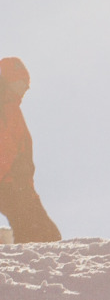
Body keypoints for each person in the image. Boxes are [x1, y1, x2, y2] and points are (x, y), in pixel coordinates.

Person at [0, 57, 61, 244]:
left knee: (47, 234)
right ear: (8, 79)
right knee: (38, 235)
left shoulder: (12, 110)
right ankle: (21, 266)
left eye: (27, 84)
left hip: (19, 185)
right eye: (21, 82)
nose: (26, 88)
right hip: (10, 183)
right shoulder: (5, 109)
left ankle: (12, 253)